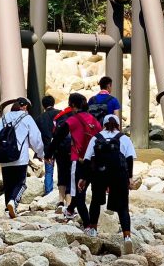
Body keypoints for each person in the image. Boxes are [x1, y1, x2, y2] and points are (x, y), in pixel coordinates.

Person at [80, 114, 137, 253]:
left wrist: (84, 178)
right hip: (119, 175)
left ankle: (93, 230)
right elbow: (129, 160)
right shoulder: (124, 138)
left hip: (99, 174)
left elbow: (87, 160)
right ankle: (127, 236)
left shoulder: (96, 138)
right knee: (123, 206)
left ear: (104, 124)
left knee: (95, 202)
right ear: (118, 125)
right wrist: (129, 178)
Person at [47, 93, 101, 227]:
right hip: (95, 162)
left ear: (72, 105)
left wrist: (48, 153)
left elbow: (58, 137)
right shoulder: (94, 120)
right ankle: (71, 210)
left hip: (79, 161)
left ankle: (88, 226)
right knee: (92, 196)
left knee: (78, 193)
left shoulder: (73, 120)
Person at [0, 96, 44, 218]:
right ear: (24, 107)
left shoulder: (4, 118)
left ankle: (8, 210)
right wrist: (40, 153)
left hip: (4, 157)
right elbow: (35, 137)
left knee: (8, 184)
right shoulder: (27, 118)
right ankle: (13, 201)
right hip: (20, 158)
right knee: (21, 183)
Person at [35, 95, 59, 196]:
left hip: (47, 148)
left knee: (49, 172)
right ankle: (64, 192)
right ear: (53, 103)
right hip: (61, 146)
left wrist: (38, 152)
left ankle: (49, 192)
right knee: (63, 169)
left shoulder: (40, 118)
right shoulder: (60, 114)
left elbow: (37, 137)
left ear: (43, 106)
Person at [52, 104, 74, 212]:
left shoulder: (58, 116)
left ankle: (61, 200)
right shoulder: (77, 115)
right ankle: (69, 202)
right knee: (71, 174)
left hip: (59, 149)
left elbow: (54, 134)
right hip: (72, 149)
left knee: (61, 173)